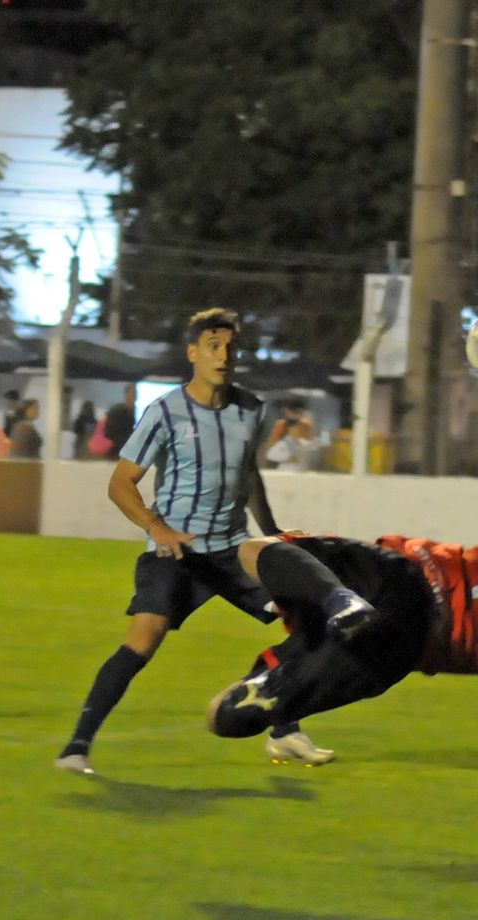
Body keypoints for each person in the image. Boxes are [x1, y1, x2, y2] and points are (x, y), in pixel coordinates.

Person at [55, 308, 343, 774]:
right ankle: (77, 747)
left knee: (309, 622)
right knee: (144, 639)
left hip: (232, 549)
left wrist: (272, 533)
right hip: (178, 551)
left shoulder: (250, 409)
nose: (223, 355)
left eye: (230, 347)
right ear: (193, 353)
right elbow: (121, 482)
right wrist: (156, 527)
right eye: (213, 346)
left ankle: (285, 731)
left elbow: (249, 476)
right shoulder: (165, 411)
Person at [205, 509, 478, 788]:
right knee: (223, 719)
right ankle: (288, 670)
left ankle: (327, 598)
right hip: (399, 646)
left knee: (258, 550)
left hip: (394, 573)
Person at [264, 398, 318, 471]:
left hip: (302, 465)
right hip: (285, 465)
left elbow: (311, 447)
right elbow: (270, 453)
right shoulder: (281, 426)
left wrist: (298, 441)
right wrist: (287, 458)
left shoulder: (306, 425)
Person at [102, 383, 137, 455]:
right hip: (117, 451)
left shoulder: (131, 412)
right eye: (133, 394)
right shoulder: (117, 411)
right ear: (127, 394)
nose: (135, 397)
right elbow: (109, 432)